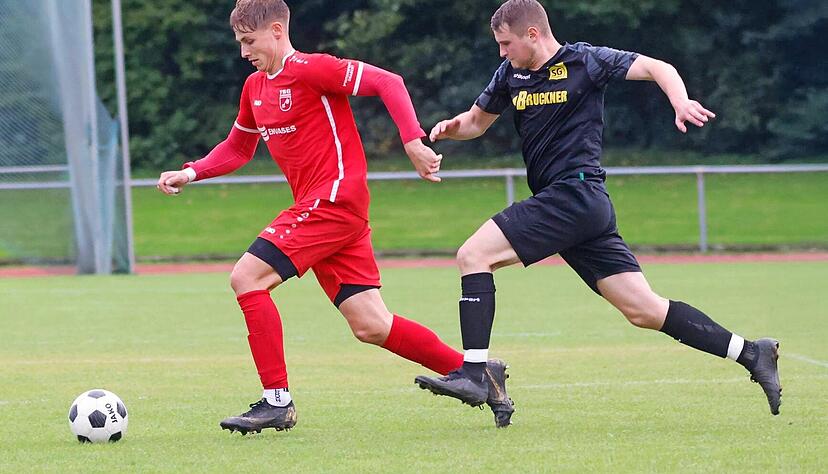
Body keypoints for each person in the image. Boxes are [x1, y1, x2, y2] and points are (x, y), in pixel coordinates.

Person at [155, 0, 514, 433]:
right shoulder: (255, 88)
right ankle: (479, 374)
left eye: (248, 41)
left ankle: (276, 402)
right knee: (371, 325)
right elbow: (238, 147)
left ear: (275, 30)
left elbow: (388, 81)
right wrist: (192, 171)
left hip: (333, 201)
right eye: (239, 43)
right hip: (326, 212)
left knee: (246, 278)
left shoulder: (312, 69)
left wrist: (413, 141)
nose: (243, 51)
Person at [415, 0, 781, 417]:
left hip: (574, 195)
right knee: (644, 310)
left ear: (532, 34)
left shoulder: (587, 61)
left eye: (506, 43)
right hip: (580, 208)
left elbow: (658, 67)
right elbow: (477, 121)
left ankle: (477, 373)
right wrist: (450, 129)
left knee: (473, 255)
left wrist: (679, 101)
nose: (502, 52)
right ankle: (752, 353)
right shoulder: (511, 74)